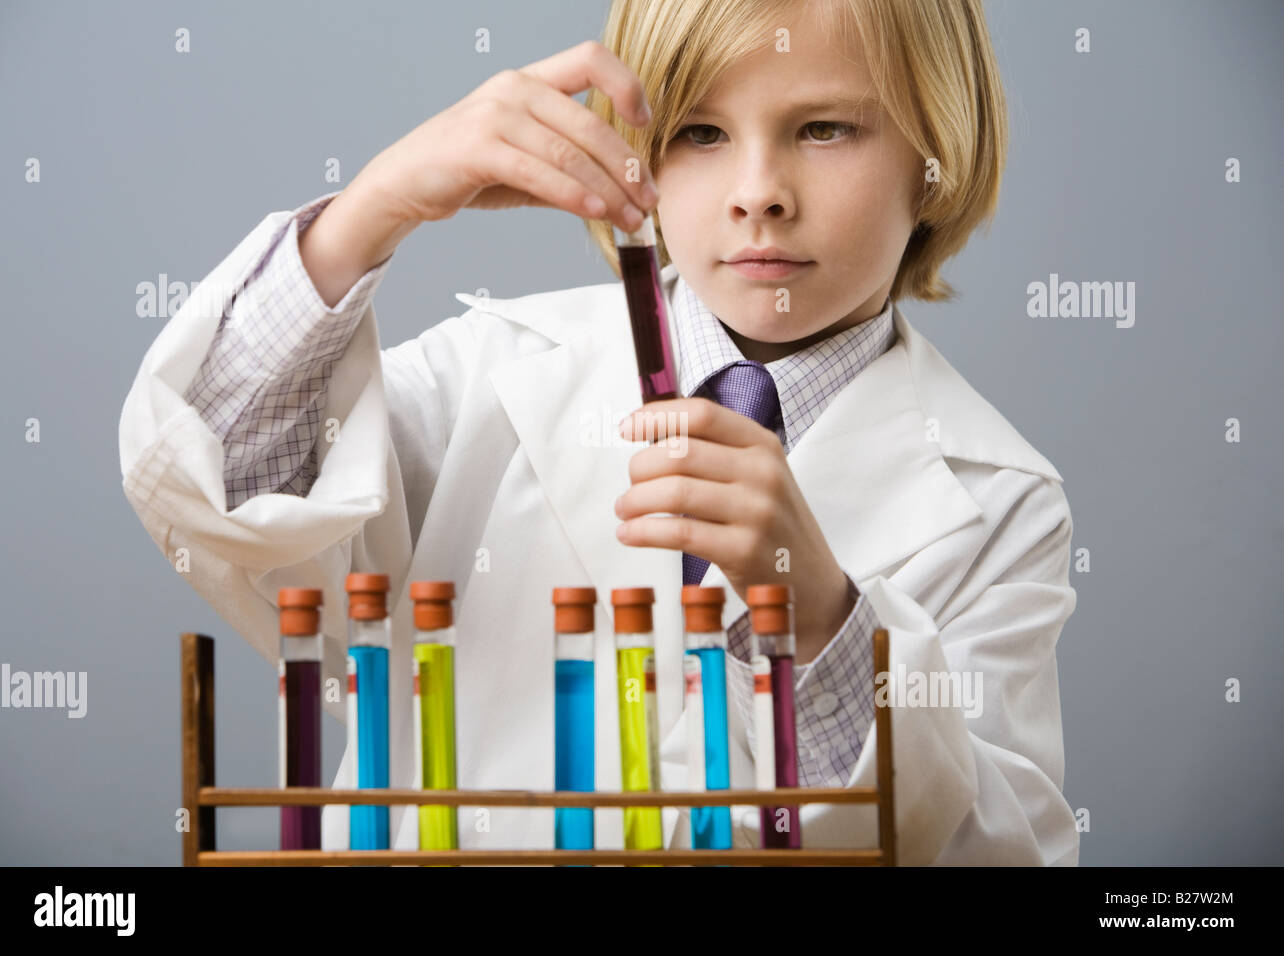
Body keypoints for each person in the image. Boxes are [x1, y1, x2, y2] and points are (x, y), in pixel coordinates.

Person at [119, 0, 1078, 864]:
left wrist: (824, 614)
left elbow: (997, 850)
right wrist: (373, 211)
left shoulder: (999, 502)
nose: (758, 192)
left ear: (937, 148)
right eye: (700, 130)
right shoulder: (492, 375)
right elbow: (228, 479)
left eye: (824, 128)